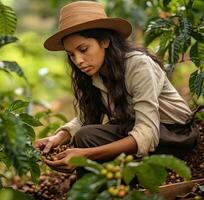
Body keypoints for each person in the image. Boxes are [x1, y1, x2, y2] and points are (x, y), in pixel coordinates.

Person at [35, 1, 198, 174]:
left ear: (104, 41)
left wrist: (86, 154)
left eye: (83, 49)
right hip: (134, 129)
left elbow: (147, 133)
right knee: (84, 135)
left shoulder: (139, 66)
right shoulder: (94, 74)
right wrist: (58, 137)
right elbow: (86, 117)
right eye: (72, 55)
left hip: (173, 134)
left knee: (86, 141)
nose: (78, 61)